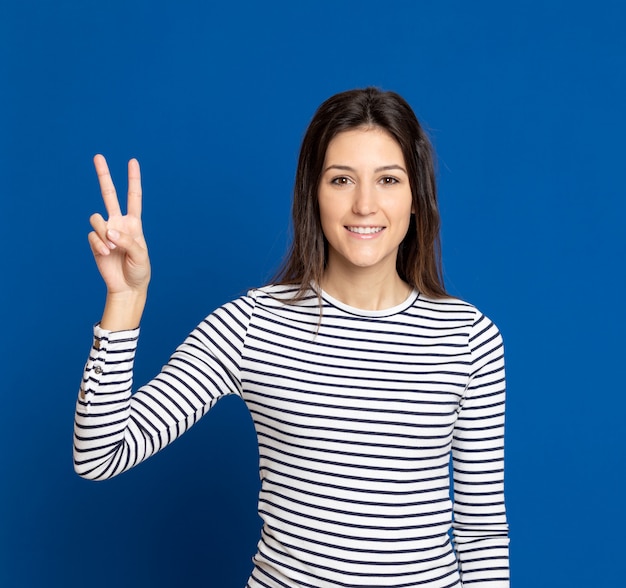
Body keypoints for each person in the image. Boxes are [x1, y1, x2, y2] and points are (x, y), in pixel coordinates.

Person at [74, 87, 510, 587]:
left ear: (416, 199)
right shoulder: (251, 324)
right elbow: (98, 455)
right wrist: (125, 301)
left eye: (388, 180)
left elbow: (481, 533)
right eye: (341, 179)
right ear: (313, 194)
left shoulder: (469, 337)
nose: (365, 204)